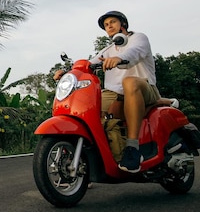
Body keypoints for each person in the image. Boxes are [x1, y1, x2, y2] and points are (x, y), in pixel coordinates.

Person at [53, 11, 175, 173]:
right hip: (115, 93)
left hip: (144, 87)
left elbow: (135, 52)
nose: (109, 26)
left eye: (113, 22)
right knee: (85, 106)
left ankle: (132, 148)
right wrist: (68, 72)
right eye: (106, 25)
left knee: (129, 82)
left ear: (123, 24)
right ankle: (83, 161)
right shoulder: (108, 49)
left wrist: (119, 59)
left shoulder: (138, 38)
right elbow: (88, 64)